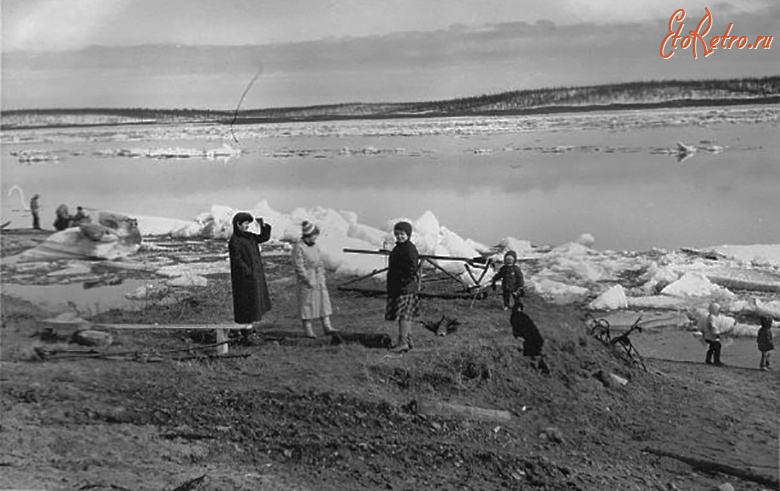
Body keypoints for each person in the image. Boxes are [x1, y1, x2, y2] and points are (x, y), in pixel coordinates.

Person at [228, 212, 272, 336]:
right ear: (238, 224)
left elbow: (263, 238)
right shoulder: (234, 241)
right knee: (245, 306)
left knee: (252, 305)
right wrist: (248, 272)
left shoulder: (249, 236)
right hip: (243, 280)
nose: (248, 226)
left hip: (253, 277)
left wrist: (263, 225)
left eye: (248, 223)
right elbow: (237, 260)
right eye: (246, 223)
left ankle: (249, 330)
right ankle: (246, 333)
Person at [292, 220, 338, 338]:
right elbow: (299, 265)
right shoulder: (299, 247)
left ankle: (327, 326)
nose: (316, 237)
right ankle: (308, 329)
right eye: (314, 235)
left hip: (318, 277)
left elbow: (319, 261)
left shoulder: (315, 246)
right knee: (307, 303)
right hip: (307, 278)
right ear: (309, 235)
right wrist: (307, 279)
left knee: (323, 301)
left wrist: (321, 274)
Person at [385, 221, 420, 353]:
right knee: (406, 315)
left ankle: (403, 342)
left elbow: (412, 268)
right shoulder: (399, 247)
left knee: (403, 315)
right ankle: (408, 340)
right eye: (397, 234)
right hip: (400, 286)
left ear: (408, 234)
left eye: (402, 234)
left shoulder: (409, 249)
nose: (399, 236)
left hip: (404, 287)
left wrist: (403, 280)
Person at [703, 302, 725, 366]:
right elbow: (712, 326)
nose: (719, 312)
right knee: (717, 347)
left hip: (709, 336)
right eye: (718, 310)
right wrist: (715, 333)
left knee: (712, 348)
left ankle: (708, 359)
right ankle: (716, 360)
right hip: (711, 336)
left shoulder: (711, 316)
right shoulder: (712, 317)